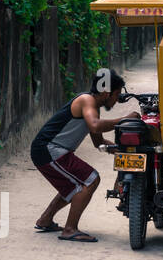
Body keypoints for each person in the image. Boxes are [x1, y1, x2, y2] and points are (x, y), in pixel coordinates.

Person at [30, 69, 135, 242]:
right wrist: (125, 120)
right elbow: (95, 126)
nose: (117, 100)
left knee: (72, 186)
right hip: (49, 149)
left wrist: (121, 149)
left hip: (50, 150)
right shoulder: (87, 100)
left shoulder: (93, 108)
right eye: (116, 94)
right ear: (106, 93)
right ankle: (70, 229)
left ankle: (45, 220)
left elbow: (98, 142)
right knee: (90, 179)